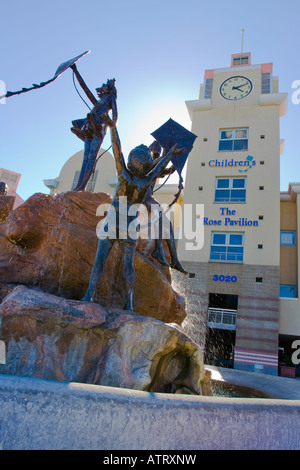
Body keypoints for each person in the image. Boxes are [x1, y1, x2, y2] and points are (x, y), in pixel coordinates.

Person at [82, 114, 185, 310]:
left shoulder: (123, 176)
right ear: (146, 164)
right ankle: (128, 305)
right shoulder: (145, 181)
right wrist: (171, 152)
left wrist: (113, 128)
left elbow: (117, 149)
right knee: (128, 267)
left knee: (99, 264)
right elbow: (159, 168)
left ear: (131, 161)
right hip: (129, 229)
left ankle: (89, 295)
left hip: (112, 224)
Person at [70, 63, 117, 191]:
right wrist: (76, 71)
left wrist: (108, 121)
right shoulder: (98, 102)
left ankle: (81, 187)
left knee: (91, 157)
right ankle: (78, 187)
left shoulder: (111, 98)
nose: (102, 87)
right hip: (90, 126)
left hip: (99, 129)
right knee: (85, 157)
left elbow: (114, 120)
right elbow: (85, 89)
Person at [143, 141, 187, 274]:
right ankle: (158, 249)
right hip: (141, 197)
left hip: (147, 198)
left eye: (159, 149)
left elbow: (167, 170)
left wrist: (179, 160)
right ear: (150, 150)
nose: (157, 151)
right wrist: (168, 153)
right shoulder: (146, 163)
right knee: (160, 213)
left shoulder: (156, 164)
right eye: (155, 150)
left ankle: (174, 259)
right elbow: (158, 164)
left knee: (168, 223)